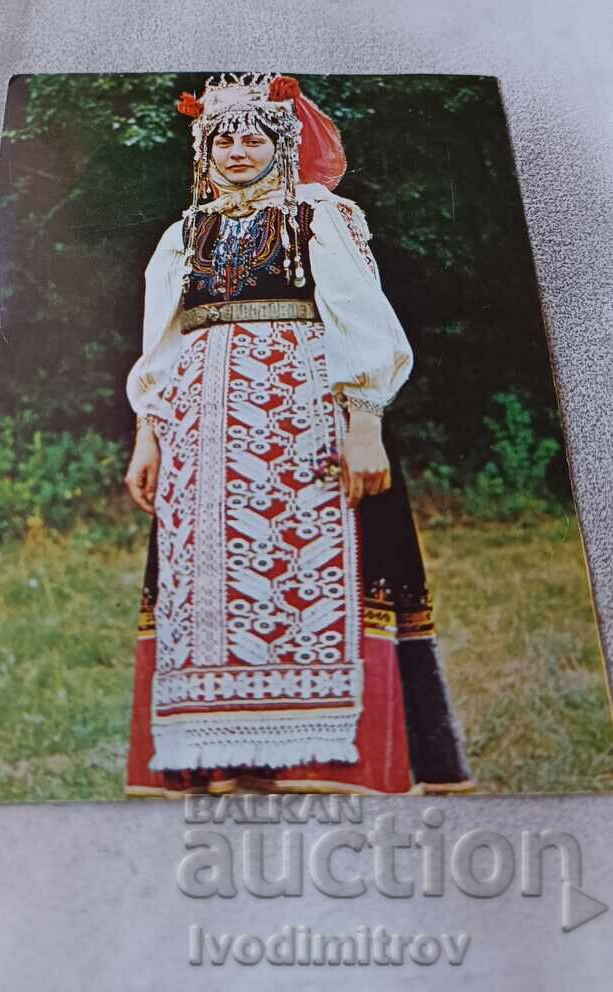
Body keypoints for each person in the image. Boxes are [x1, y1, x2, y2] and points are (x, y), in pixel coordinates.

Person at [123, 72, 474, 797]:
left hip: (303, 430)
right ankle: (224, 755)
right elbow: (160, 345)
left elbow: (361, 321)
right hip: (202, 442)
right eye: (224, 138)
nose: (238, 150)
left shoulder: (318, 216)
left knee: (309, 574)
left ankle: (319, 757)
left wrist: (366, 424)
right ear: (204, 149)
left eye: (254, 136)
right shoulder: (183, 233)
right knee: (213, 589)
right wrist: (147, 436)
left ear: (280, 143)